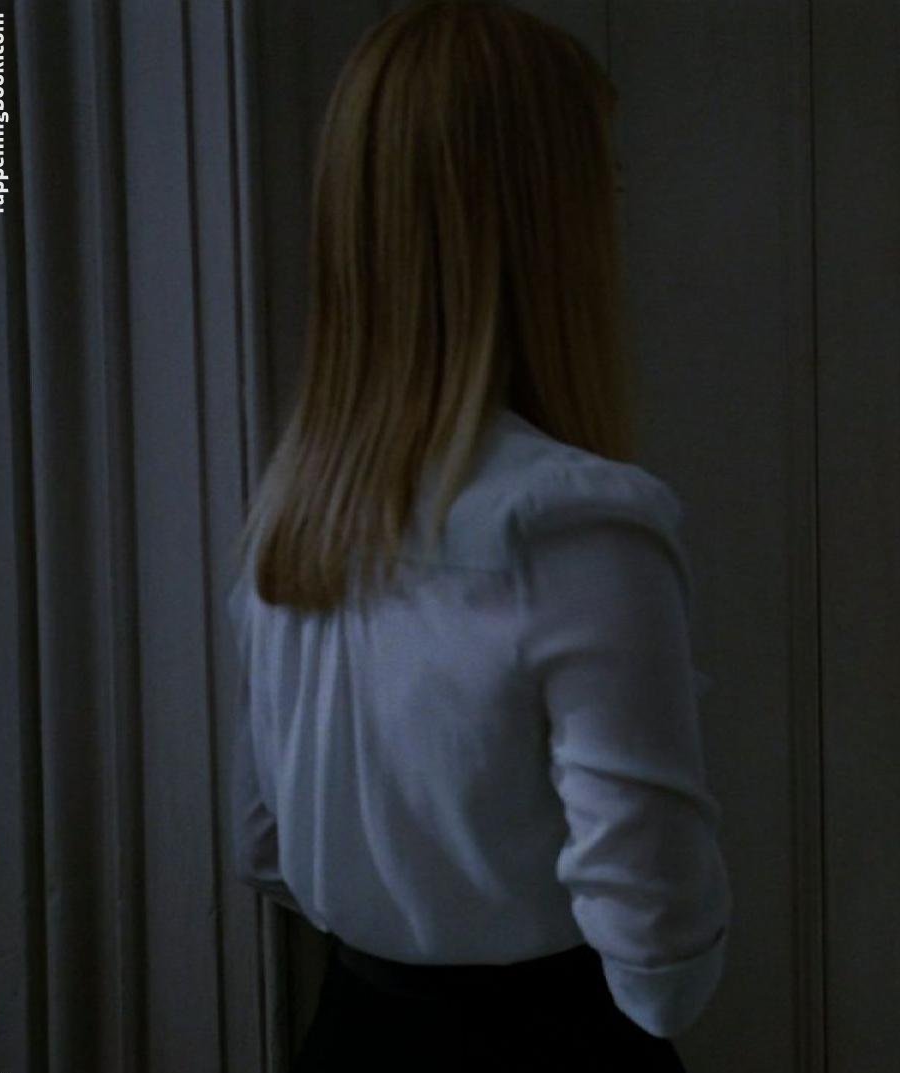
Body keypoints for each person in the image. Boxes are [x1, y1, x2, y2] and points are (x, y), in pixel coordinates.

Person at [223, 3, 728, 1069]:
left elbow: (264, 847)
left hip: (350, 1033)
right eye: (603, 185)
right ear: (548, 223)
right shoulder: (577, 523)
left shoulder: (296, 513)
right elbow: (660, 947)